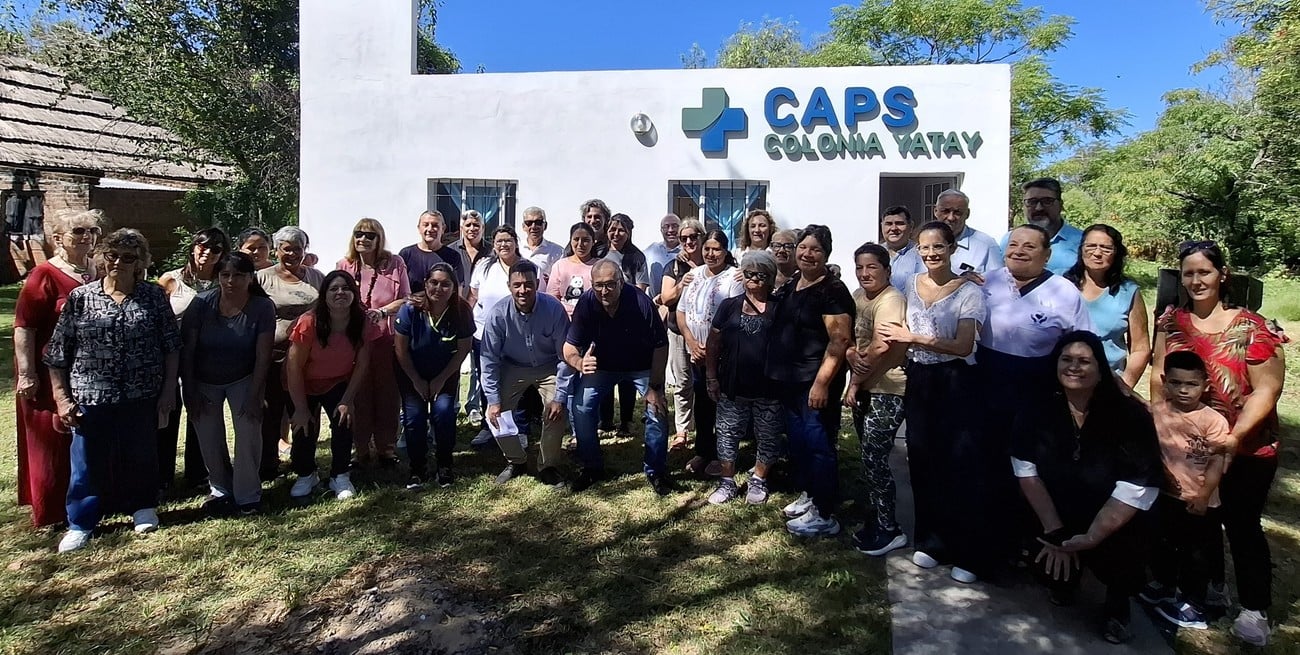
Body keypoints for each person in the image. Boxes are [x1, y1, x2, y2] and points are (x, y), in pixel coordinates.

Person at [1150, 240, 1287, 646]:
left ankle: (1254, 608)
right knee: (1198, 519)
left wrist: (1234, 436)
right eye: (1188, 273)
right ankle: (1208, 588)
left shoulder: (1252, 327)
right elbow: (1160, 376)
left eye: (1204, 272)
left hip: (1245, 447)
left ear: (1221, 275)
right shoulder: (1171, 322)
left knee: (1242, 525)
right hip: (1187, 448)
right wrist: (1164, 429)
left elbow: (1268, 389)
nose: (1196, 280)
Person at [1012, 331, 1162, 644]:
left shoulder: (1129, 414)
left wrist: (1092, 537)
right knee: (1048, 567)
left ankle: (1117, 606)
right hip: (1058, 513)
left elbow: (1137, 484)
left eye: (1084, 361)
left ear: (1100, 368)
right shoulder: (1036, 408)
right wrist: (1057, 533)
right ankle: (1065, 578)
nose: (1074, 367)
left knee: (1124, 555)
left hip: (1114, 516)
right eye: (1066, 360)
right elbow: (1025, 470)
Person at [45, 228, 180, 552]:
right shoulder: (82, 297)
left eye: (128, 257)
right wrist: (62, 398)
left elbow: (171, 347)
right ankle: (81, 522)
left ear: (140, 263)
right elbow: (58, 351)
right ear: (102, 258)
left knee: (141, 455)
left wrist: (167, 393)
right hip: (91, 393)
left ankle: (142, 507)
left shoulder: (152, 297)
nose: (119, 262)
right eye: (113, 255)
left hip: (140, 393)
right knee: (86, 461)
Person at [878, 221, 991, 582]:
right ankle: (931, 542)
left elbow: (962, 345)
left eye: (938, 247)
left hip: (957, 381)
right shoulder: (910, 284)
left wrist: (913, 337)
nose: (930, 254)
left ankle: (968, 551)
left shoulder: (968, 291)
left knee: (958, 464)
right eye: (924, 248)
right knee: (922, 458)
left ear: (952, 248)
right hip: (921, 380)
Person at [14, 209, 104, 527]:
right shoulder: (44, 275)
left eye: (92, 230)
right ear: (57, 239)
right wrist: (27, 374)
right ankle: (51, 512)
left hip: (89, 371)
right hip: (47, 370)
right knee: (51, 440)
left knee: (81, 439)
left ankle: (85, 501)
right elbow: (24, 327)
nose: (87, 236)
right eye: (78, 230)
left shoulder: (97, 270)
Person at [767, 225, 854, 537]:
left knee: (819, 444)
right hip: (790, 380)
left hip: (814, 382)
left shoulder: (832, 291)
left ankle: (825, 513)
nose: (806, 254)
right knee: (800, 442)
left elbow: (840, 340)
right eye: (802, 247)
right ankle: (810, 494)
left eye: (815, 249)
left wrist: (821, 384)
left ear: (826, 254)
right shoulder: (794, 282)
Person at [562, 260, 670, 494]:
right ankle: (591, 467)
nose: (604, 291)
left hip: (640, 366)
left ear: (622, 282)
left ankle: (656, 470)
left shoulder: (641, 303)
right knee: (580, 407)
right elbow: (569, 348)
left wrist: (656, 386)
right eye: (599, 285)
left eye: (610, 284)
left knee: (657, 407)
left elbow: (661, 346)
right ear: (591, 285)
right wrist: (580, 363)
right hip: (603, 366)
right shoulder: (587, 303)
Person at [1140, 351, 1230, 631]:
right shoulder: (1159, 412)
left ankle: (1195, 605)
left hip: (1197, 501)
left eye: (1191, 384)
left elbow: (1218, 460)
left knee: (1195, 555)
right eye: (1176, 382)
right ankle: (1164, 585)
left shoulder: (1213, 421)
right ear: (1165, 381)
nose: (1183, 390)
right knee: (1162, 544)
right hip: (1165, 496)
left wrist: (1204, 495)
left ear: (1205, 384)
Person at [181, 252, 275, 515]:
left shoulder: (262, 307)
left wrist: (256, 395)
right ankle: (221, 488)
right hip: (203, 379)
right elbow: (187, 351)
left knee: (248, 432)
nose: (231, 281)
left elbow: (263, 355)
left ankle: (248, 495)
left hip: (244, 377)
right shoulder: (201, 304)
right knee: (209, 437)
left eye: (238, 275)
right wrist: (189, 391)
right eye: (225, 275)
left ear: (250, 278)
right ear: (218, 277)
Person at [286, 271, 379, 501]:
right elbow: (293, 366)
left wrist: (347, 400)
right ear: (324, 294)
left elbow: (362, 364)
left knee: (343, 421)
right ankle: (306, 473)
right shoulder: (309, 321)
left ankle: (340, 474)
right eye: (334, 289)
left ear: (354, 294)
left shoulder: (362, 321)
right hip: (303, 382)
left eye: (346, 288)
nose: (340, 293)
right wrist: (299, 407)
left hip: (337, 382)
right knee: (302, 427)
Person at [842, 243, 910, 557]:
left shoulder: (892, 299)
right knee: (869, 460)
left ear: (887, 270)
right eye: (860, 267)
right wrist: (850, 352)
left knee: (874, 458)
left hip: (888, 390)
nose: (865, 273)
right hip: (868, 387)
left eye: (872, 267)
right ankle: (878, 518)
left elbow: (882, 346)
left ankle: (890, 529)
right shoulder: (859, 297)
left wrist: (853, 384)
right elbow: (854, 339)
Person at [481, 260, 574, 487]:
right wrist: (493, 400)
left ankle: (548, 465)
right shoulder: (498, 315)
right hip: (513, 366)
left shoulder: (553, 309)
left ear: (537, 284)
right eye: (517, 285)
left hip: (549, 366)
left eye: (529, 284)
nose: (523, 290)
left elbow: (565, 356)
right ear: (509, 286)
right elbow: (489, 359)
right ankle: (516, 460)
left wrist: (560, 396)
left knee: (555, 410)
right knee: (496, 413)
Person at [704, 251, 781, 505]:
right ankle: (727, 481)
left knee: (767, 435)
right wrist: (711, 377)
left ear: (770, 278)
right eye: (748, 273)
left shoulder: (779, 307)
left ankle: (758, 480)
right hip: (732, 383)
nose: (754, 279)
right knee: (727, 433)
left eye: (761, 274)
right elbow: (713, 342)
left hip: (769, 386)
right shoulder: (729, 306)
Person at [335, 218, 409, 467]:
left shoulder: (395, 263)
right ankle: (362, 448)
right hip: (354, 340)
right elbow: (335, 296)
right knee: (360, 394)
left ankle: (387, 448)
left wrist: (384, 311)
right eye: (359, 234)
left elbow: (406, 299)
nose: (363, 239)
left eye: (369, 235)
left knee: (387, 394)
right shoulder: (344, 265)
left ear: (379, 239)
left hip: (386, 338)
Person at [159, 226, 229, 488]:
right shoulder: (171, 280)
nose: (207, 252)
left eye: (215, 248)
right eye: (202, 245)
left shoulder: (224, 280)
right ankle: (162, 477)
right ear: (193, 246)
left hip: (206, 358)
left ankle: (198, 473)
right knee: (168, 412)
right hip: (171, 356)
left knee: (202, 414)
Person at [394, 263, 474, 489]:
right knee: (414, 418)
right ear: (426, 284)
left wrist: (441, 379)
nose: (439, 288)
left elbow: (463, 348)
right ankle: (417, 469)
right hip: (411, 371)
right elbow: (400, 349)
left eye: (446, 284)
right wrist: (416, 381)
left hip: (444, 372)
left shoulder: (462, 310)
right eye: (434, 282)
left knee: (444, 413)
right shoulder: (410, 309)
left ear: (455, 287)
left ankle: (444, 465)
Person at [256, 226, 326, 481]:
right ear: (277, 250)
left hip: (308, 359)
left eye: (298, 249)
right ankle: (267, 466)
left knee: (304, 411)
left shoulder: (317, 277)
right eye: (287, 249)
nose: (293, 254)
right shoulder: (262, 278)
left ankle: (304, 464)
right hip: (271, 358)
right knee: (269, 413)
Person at [677, 229, 743, 476]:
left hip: (723, 355)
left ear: (726, 251)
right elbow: (682, 312)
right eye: (707, 248)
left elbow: (735, 318)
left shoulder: (734, 278)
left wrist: (714, 350)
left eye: (717, 249)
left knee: (722, 406)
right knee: (702, 406)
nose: (711, 253)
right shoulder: (693, 275)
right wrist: (692, 342)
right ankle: (703, 451)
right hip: (697, 354)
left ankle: (722, 455)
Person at [1064, 224, 1150, 389]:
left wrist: (1124, 387)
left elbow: (1141, 348)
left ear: (1117, 253)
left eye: (1106, 248)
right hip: (1061, 382)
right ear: (1081, 249)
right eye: (1090, 246)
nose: (1097, 253)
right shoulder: (1060, 283)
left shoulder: (1128, 292)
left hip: (1107, 385)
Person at [468, 225, 523, 445]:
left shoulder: (525, 266)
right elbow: (473, 295)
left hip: (515, 335)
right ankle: (488, 427)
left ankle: (515, 428)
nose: (503, 244)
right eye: (499, 240)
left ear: (516, 242)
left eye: (508, 240)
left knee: (513, 381)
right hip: (483, 334)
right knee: (487, 380)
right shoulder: (484, 265)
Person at [659, 218, 705, 451]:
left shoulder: (715, 260)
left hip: (706, 333)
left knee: (707, 383)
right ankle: (682, 431)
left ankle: (708, 430)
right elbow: (666, 298)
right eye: (683, 238)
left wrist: (697, 272)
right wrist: (682, 284)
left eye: (693, 237)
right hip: (678, 331)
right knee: (683, 382)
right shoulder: (674, 267)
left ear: (702, 237)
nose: (688, 242)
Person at [892, 189, 1002, 285]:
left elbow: (999, 285)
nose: (951, 217)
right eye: (945, 211)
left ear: (967, 214)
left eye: (957, 212)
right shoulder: (919, 242)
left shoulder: (986, 245)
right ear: (935, 211)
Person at [603, 213, 650, 435]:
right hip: (602, 319)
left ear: (629, 232)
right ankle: (605, 420)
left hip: (629, 320)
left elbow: (641, 289)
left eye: (621, 230)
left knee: (626, 374)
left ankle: (626, 420)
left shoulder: (637, 257)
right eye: (612, 229)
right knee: (604, 371)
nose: (616, 233)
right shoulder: (600, 252)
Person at [1003, 178, 1083, 276]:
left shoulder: (1083, 242)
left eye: (1047, 201)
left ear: (1061, 205)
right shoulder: (1009, 240)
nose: (1039, 208)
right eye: (1032, 202)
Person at [398, 210, 465, 289]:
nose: (430, 229)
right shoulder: (406, 254)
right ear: (419, 228)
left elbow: (457, 290)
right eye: (425, 225)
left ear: (443, 229)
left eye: (435, 225)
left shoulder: (453, 256)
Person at [545, 222, 599, 316]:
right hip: (564, 320)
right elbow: (552, 298)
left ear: (593, 242)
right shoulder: (559, 266)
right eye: (576, 239)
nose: (580, 244)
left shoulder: (600, 266)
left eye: (585, 240)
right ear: (570, 241)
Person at [518, 206, 564, 288]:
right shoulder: (516, 247)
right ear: (523, 227)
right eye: (529, 223)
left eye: (538, 222)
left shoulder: (557, 251)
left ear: (545, 225)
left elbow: (560, 279)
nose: (533, 226)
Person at [447, 210, 488, 296]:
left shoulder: (492, 251)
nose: (472, 229)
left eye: (476, 225)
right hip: (457, 304)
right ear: (461, 228)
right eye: (468, 225)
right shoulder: (450, 251)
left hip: (484, 304)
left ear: (483, 228)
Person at [645, 213, 681, 300]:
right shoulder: (652, 249)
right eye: (666, 226)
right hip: (653, 304)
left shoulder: (686, 251)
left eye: (674, 226)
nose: (670, 230)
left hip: (674, 304)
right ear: (661, 230)